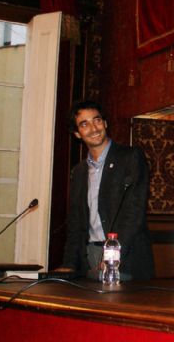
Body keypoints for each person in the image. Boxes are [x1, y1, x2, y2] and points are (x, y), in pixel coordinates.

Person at [57, 100, 154, 280]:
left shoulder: (131, 158)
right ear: (77, 134)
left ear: (105, 123)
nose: (93, 128)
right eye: (84, 124)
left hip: (127, 257)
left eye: (97, 120)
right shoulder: (78, 172)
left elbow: (134, 214)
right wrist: (69, 265)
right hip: (91, 256)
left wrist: (112, 254)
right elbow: (76, 223)